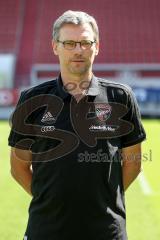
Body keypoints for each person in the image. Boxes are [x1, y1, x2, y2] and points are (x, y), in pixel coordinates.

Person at [8, 10, 146, 240]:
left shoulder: (120, 97)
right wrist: (48, 199)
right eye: (70, 43)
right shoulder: (32, 100)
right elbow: (18, 167)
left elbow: (133, 164)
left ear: (97, 46)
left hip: (106, 232)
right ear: (55, 47)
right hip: (46, 231)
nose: (78, 50)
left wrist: (104, 199)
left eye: (85, 42)